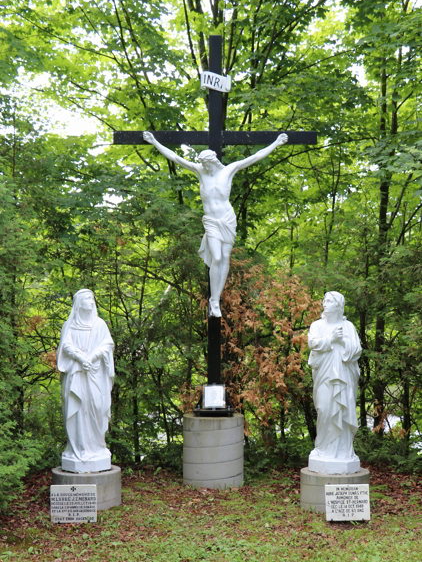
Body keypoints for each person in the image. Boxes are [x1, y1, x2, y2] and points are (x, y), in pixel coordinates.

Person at [143, 131, 288, 316]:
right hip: (211, 221)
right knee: (217, 258)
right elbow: (175, 158)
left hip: (227, 219)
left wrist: (276, 143)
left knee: (226, 257)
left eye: (207, 164)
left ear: (213, 161)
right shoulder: (199, 171)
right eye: (203, 164)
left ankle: (216, 300)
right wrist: (154, 141)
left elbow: (256, 157)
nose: (205, 167)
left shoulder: (229, 170)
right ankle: (214, 299)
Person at [57, 289, 114, 471]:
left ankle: (96, 448)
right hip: (76, 373)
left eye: (92, 298)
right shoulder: (70, 325)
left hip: (95, 374)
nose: (91, 301)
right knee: (77, 410)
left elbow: (107, 344)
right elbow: (66, 345)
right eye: (87, 298)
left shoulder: (99, 324)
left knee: (96, 407)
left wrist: (92, 357)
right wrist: (82, 359)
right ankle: (78, 448)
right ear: (79, 302)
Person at [308, 291, 362, 465]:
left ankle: (342, 452)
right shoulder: (317, 325)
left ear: (339, 306)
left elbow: (356, 350)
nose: (324, 303)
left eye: (329, 301)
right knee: (324, 408)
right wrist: (331, 338)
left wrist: (342, 341)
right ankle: (323, 449)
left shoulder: (349, 327)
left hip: (344, 377)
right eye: (324, 300)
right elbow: (312, 343)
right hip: (324, 374)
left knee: (343, 410)